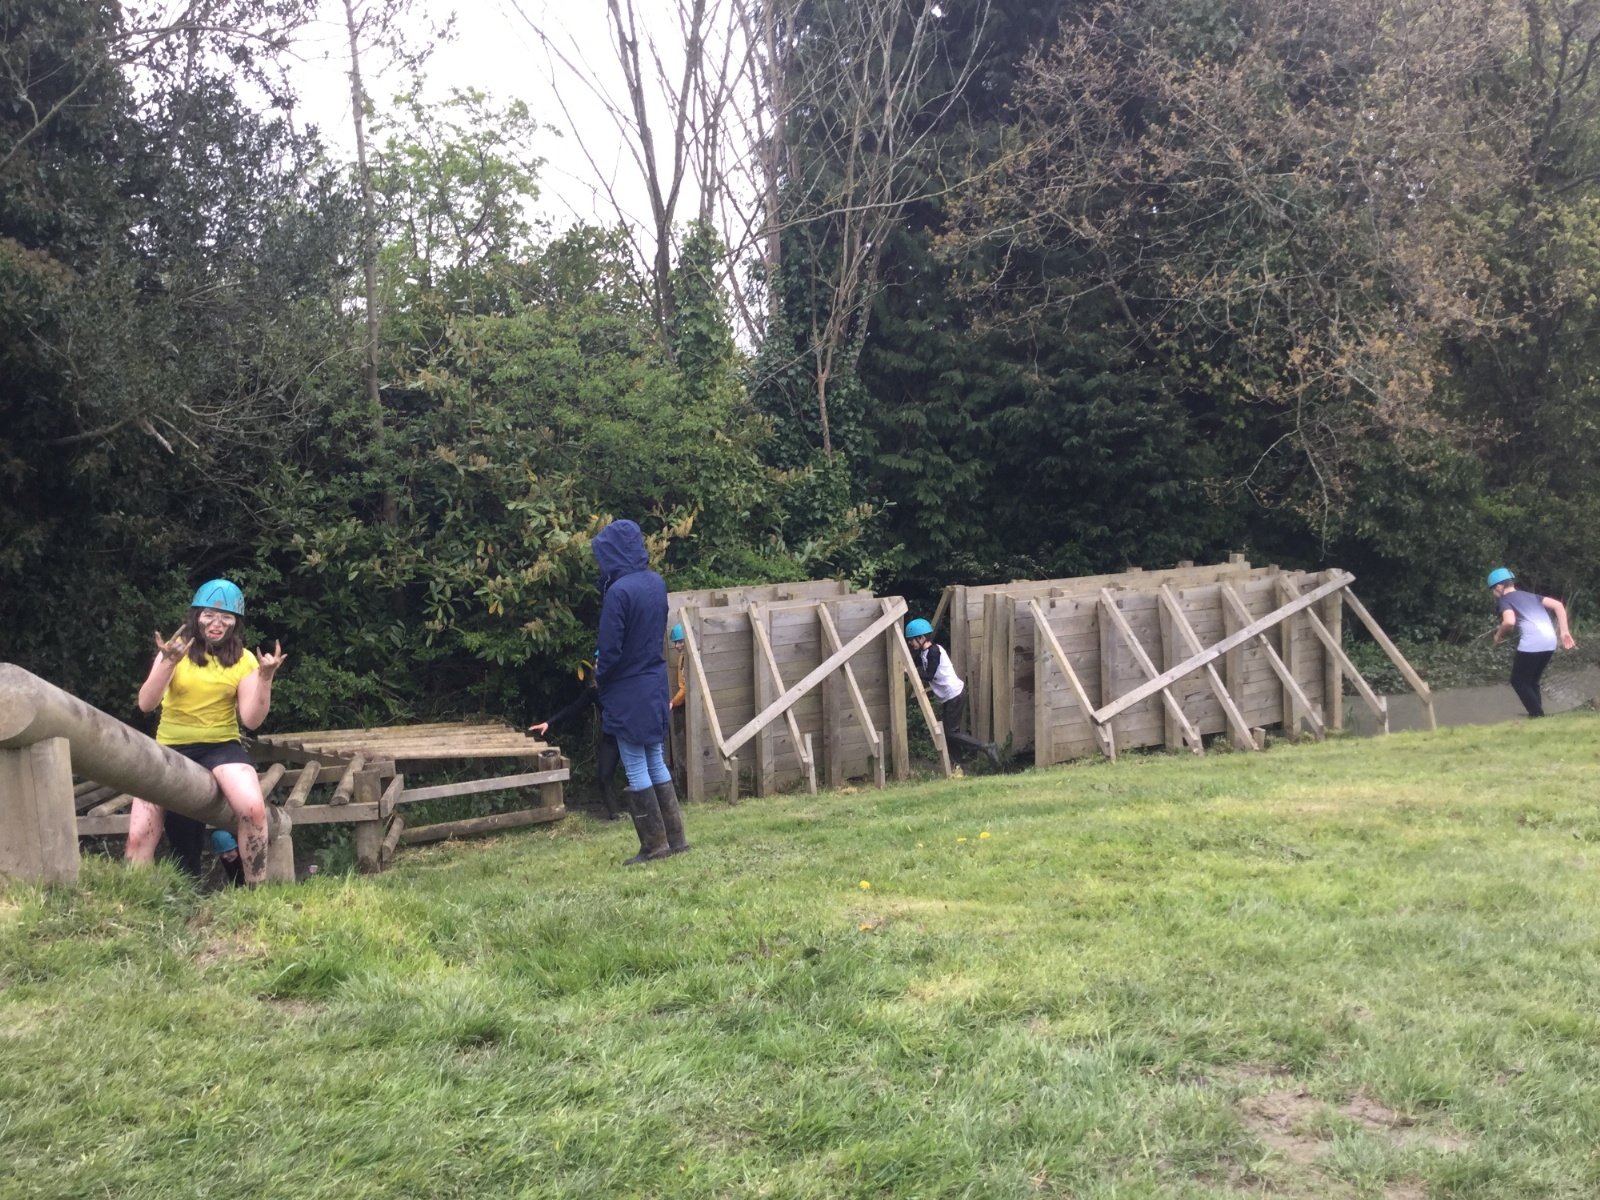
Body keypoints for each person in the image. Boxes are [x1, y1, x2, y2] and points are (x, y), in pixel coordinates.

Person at [125, 579, 286, 885]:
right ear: (196, 616)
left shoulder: (244, 659)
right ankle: (134, 897)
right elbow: (146, 703)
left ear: (235, 622)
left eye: (226, 616)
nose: (216, 623)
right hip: (170, 745)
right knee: (139, 833)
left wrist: (265, 679)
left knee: (254, 810)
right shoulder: (175, 649)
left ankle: (257, 892)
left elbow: (251, 720)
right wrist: (167, 663)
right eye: (209, 615)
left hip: (220, 745)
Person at [592, 520, 689, 863]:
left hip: (627, 688)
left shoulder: (618, 592)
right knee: (655, 759)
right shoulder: (655, 582)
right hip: (653, 683)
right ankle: (675, 840)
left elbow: (610, 648)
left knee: (635, 764)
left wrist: (600, 674)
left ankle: (654, 845)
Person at [527, 654, 622, 821]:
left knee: (639, 773)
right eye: (596, 664)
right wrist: (549, 722)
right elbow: (574, 708)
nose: (598, 666)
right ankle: (616, 815)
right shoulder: (594, 690)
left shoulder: (624, 684)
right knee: (603, 777)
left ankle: (647, 811)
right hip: (611, 738)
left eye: (602, 663)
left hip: (630, 735)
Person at [905, 618, 1001, 768]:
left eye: (912, 640)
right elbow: (912, 662)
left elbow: (929, 675)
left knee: (951, 733)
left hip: (954, 694)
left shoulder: (934, 652)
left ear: (922, 638)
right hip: (949, 696)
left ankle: (986, 747)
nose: (910, 643)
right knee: (950, 733)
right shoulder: (924, 653)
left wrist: (910, 672)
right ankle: (959, 764)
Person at [1488, 568, 1576, 718]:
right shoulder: (1531, 596)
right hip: (1550, 641)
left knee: (1518, 682)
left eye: (1493, 591)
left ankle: (1537, 714)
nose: (1494, 594)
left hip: (1533, 643)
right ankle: (1538, 714)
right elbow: (1558, 605)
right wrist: (1564, 631)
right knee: (1532, 681)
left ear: (1498, 587)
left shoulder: (1505, 600)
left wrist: (1498, 635)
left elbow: (1509, 621)